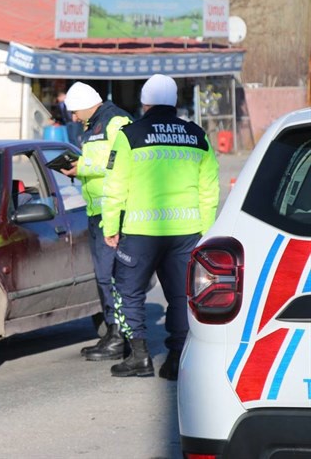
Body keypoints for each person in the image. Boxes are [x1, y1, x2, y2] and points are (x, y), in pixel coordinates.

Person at [101, 74, 219, 380]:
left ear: (145, 103)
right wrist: (206, 231)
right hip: (187, 231)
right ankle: (177, 358)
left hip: (141, 231)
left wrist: (110, 225)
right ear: (175, 102)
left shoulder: (130, 135)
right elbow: (209, 189)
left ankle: (139, 357)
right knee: (181, 295)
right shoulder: (197, 136)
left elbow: (115, 187)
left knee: (128, 291)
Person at [58, 82, 132, 361]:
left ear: (86, 104)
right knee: (103, 277)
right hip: (96, 211)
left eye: (75, 111)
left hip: (114, 212)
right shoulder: (92, 126)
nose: (74, 117)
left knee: (112, 277)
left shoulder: (117, 121)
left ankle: (121, 336)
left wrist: (83, 166)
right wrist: (77, 170)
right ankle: (113, 332)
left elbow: (122, 161)